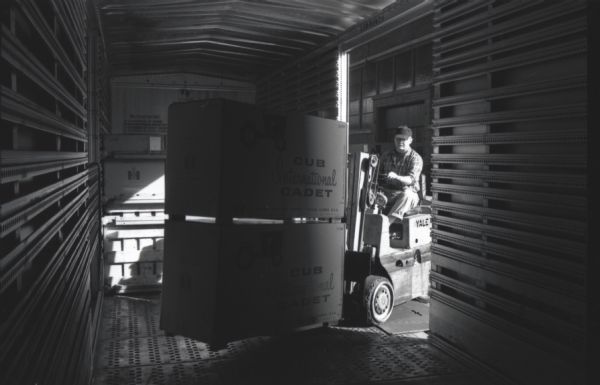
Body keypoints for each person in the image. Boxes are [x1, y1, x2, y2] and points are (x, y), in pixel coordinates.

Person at [377, 125, 423, 224]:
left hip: (405, 194)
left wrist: (396, 177)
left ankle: (386, 225)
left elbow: (411, 180)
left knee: (408, 195)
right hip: (387, 193)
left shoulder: (415, 158)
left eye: (404, 139)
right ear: (394, 139)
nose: (400, 142)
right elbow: (377, 175)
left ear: (410, 140)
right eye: (398, 139)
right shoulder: (386, 155)